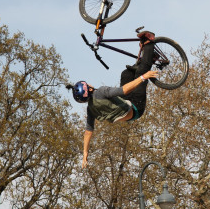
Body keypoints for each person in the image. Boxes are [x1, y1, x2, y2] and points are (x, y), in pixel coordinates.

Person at [67, 31, 157, 168]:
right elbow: (125, 90)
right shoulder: (101, 92)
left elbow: (88, 132)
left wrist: (85, 153)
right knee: (141, 73)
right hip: (136, 107)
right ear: (89, 88)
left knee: (126, 74)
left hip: (127, 107)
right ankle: (149, 43)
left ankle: (147, 58)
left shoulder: (90, 109)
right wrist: (144, 77)